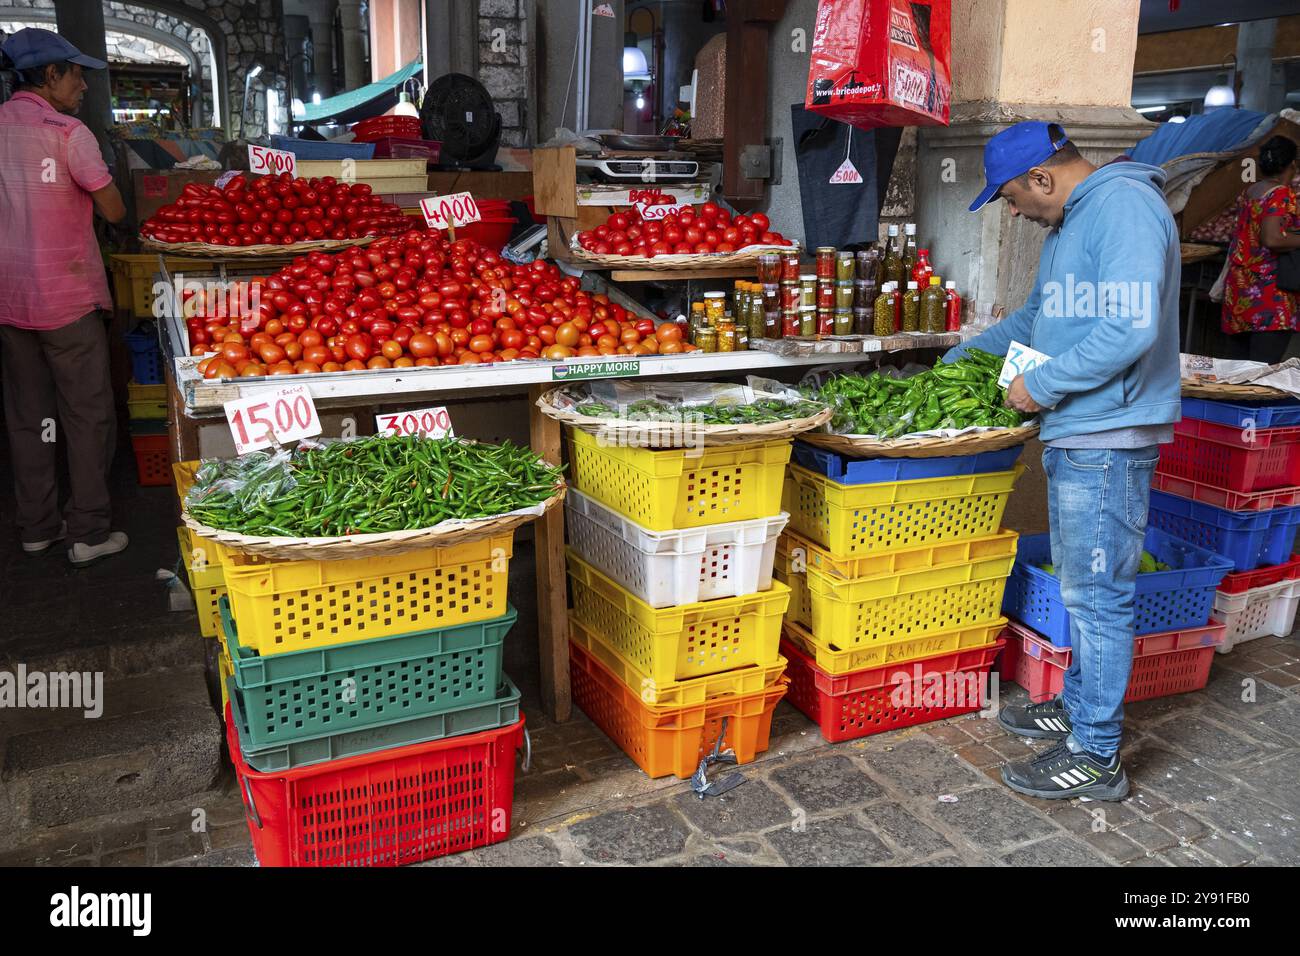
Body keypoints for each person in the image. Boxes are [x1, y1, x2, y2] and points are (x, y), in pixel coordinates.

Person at [947, 121, 1181, 801]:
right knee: (1086, 589)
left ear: (1042, 178)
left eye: (1014, 197)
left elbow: (1130, 328)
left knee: (1098, 597)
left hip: (1109, 435)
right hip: (1080, 433)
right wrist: (957, 360)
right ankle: (1083, 709)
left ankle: (1096, 754)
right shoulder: (1073, 225)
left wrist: (1042, 386)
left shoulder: (1123, 208)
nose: (1015, 212)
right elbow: (1035, 322)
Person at [0, 28, 130, 566]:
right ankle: (88, 532)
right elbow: (114, 211)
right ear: (50, 75)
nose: (82, 84)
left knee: (30, 416)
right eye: (75, 73)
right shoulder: (68, 133)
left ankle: (37, 526)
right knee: (86, 413)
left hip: (9, 298)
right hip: (68, 299)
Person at [1221, 135, 1300, 364]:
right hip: (1269, 295)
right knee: (1262, 371)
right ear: (1292, 164)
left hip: (1241, 289)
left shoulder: (1252, 191)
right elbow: (1272, 239)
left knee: (1239, 370)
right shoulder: (1280, 193)